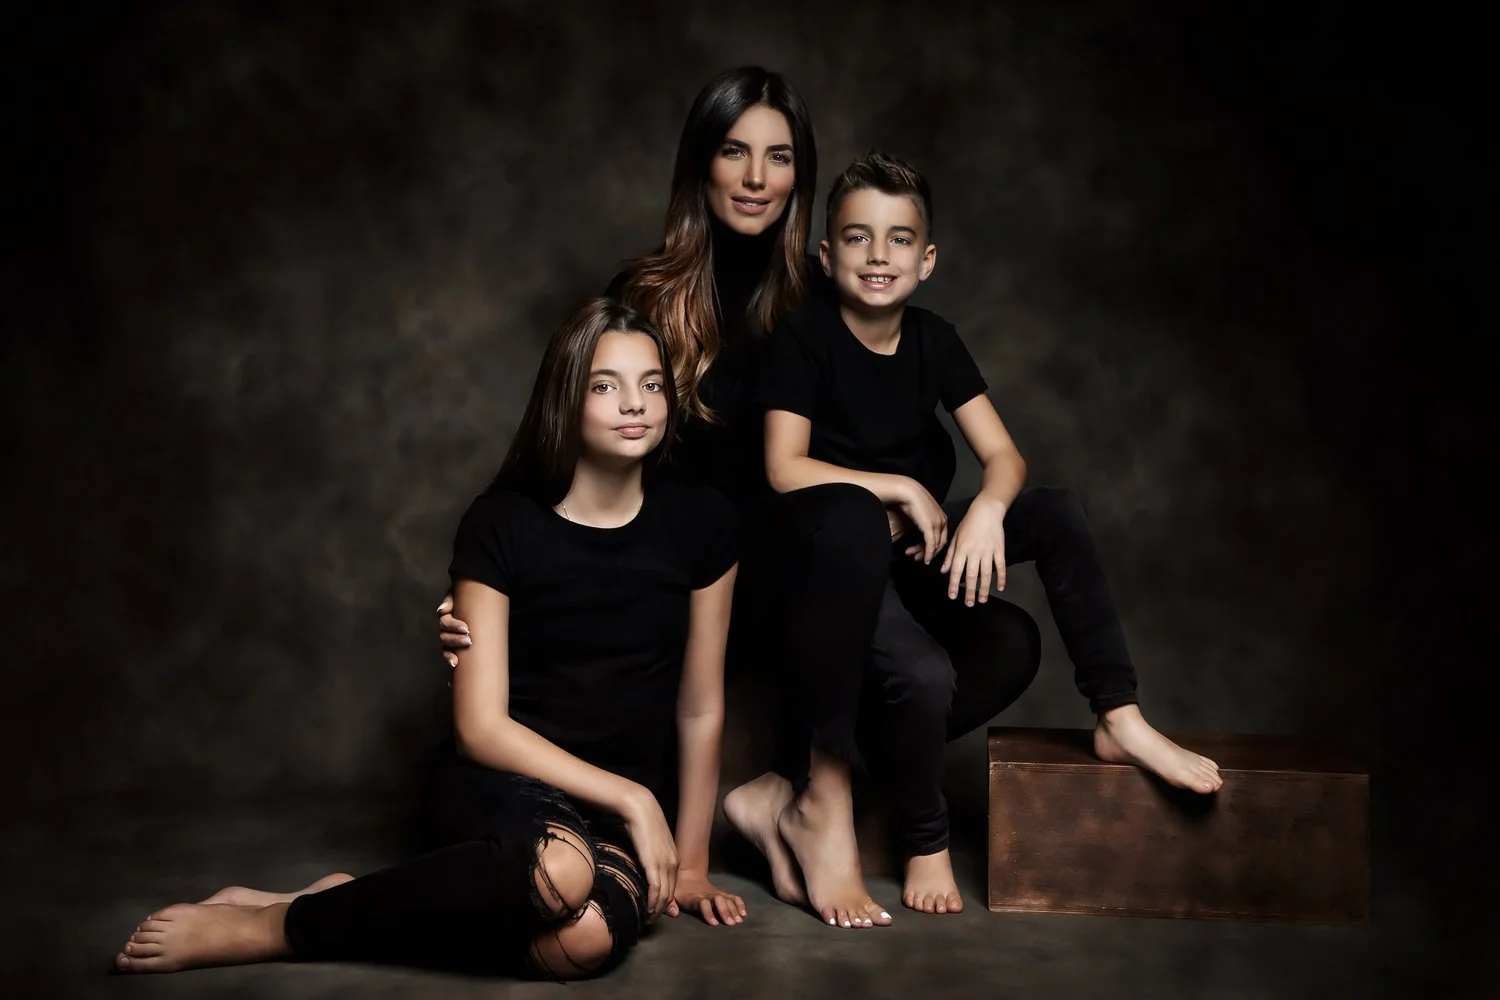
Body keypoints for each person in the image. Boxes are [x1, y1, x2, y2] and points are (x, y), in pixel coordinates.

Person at [437, 68, 1043, 929]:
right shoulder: (645, 292)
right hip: (707, 589)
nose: (756, 177)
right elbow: (572, 433)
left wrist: (958, 504)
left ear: (802, 174)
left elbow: (899, 437)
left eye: (780, 156)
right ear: (702, 164)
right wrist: (481, 582)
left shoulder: (832, 291)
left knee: (1004, 640)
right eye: (734, 151)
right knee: (844, 559)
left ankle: (796, 793)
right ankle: (809, 804)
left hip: (835, 571)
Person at [115, 299, 746, 980]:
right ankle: (279, 925)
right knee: (558, 868)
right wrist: (635, 796)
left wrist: (690, 863)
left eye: (651, 384)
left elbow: (700, 706)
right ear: (566, 396)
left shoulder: (702, 521)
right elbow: (479, 728)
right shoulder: (502, 523)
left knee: (583, 941)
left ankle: (348, 902)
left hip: (618, 827)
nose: (635, 404)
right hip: (502, 787)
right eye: (605, 385)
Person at [749, 151, 1225, 912]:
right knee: (928, 675)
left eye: (900, 239)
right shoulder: (804, 338)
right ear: (826, 254)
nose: (879, 256)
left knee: (1056, 518)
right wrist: (897, 485)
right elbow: (782, 468)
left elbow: (1004, 455)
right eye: (859, 237)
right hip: (838, 584)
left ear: (927, 259)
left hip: (916, 561)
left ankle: (1119, 716)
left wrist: (988, 511)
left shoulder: (935, 340)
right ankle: (923, 833)